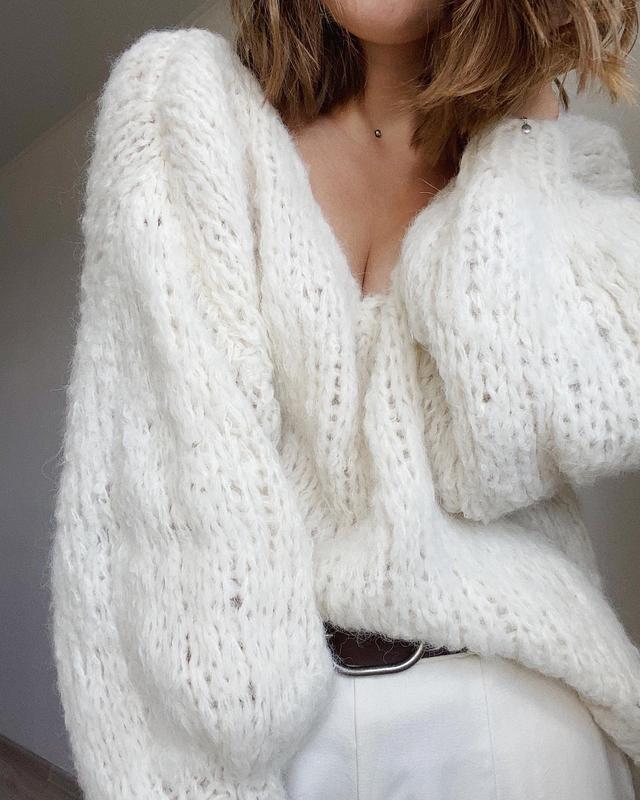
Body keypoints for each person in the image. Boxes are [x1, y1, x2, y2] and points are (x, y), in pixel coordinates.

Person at [49, 1, 640, 799]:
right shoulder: (184, 102)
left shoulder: (565, 159)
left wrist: (516, 138)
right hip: (281, 731)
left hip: (520, 717)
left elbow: (520, 435)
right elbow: (152, 510)